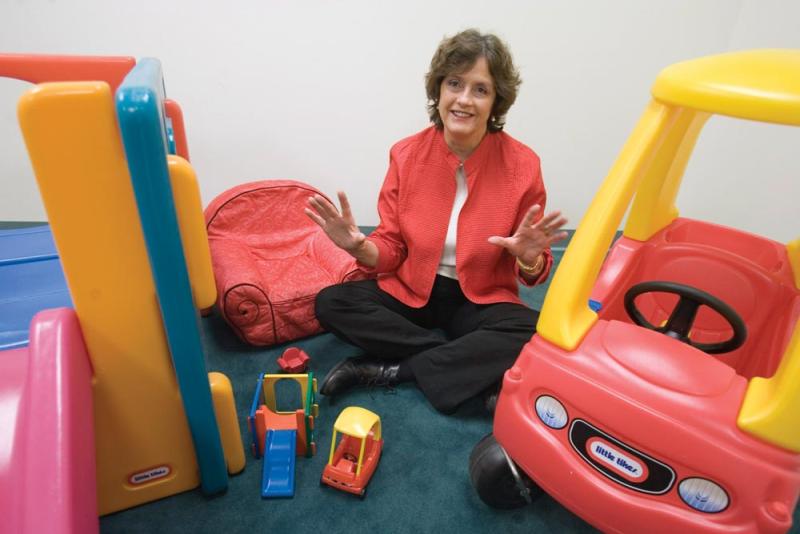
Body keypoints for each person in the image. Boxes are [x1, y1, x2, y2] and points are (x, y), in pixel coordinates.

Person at [305, 29, 567, 414]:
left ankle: (394, 369)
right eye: (454, 84)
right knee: (332, 303)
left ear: (496, 101)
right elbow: (391, 248)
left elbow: (533, 272)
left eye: (480, 89)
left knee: (535, 331)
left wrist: (529, 257)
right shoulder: (406, 155)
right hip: (412, 291)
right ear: (439, 90)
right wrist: (360, 246)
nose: (464, 100)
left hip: (477, 299)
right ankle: (464, 366)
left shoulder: (524, 165)